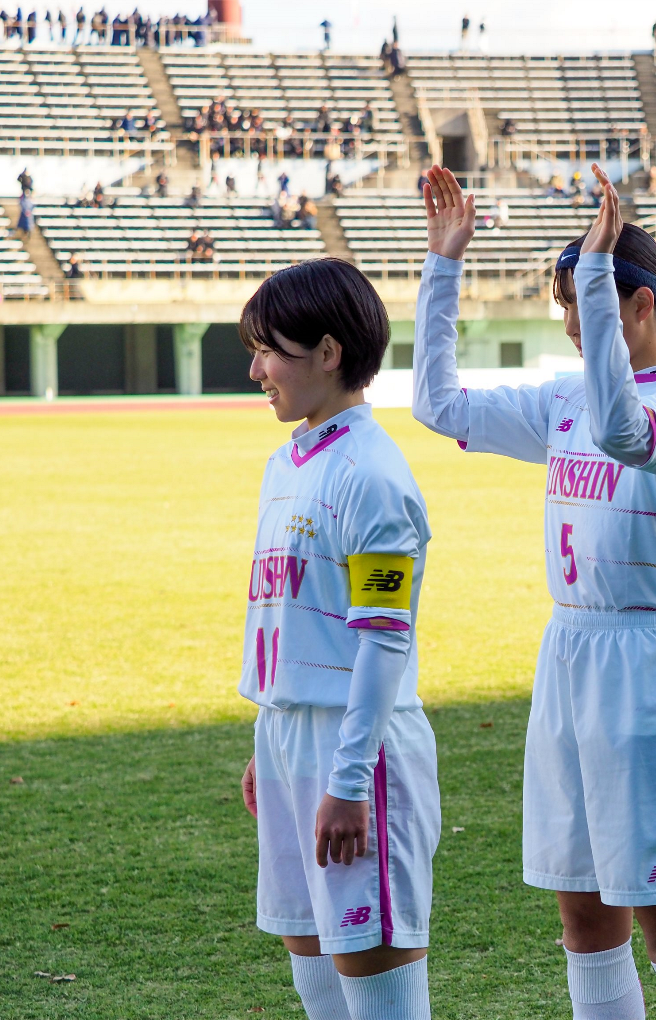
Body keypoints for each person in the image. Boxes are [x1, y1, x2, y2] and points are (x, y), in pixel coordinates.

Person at [413, 164, 656, 1020]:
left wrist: (595, 270)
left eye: (583, 301)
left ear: (642, 305)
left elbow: (626, 431)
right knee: (585, 921)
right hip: (567, 655)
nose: (568, 324)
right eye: (564, 304)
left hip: (649, 662)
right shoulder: (561, 399)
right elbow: (439, 406)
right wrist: (445, 265)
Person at [237, 258, 440, 1020]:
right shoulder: (284, 463)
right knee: (317, 980)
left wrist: (349, 779)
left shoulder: (372, 475)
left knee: (378, 993)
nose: (256, 371)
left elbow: (384, 640)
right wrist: (270, 738)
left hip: (357, 754)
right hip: (291, 742)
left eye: (269, 351)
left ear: (328, 352)